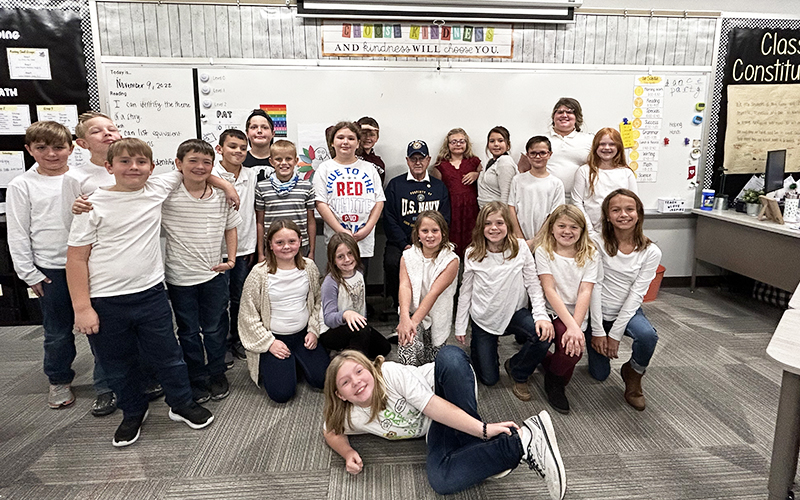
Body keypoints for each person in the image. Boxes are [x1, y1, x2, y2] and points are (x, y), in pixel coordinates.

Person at [66, 138, 224, 447]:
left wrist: (227, 188)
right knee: (118, 362)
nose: (133, 168)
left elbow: (197, 170)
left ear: (152, 168)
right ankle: (132, 411)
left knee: (169, 355)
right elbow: (76, 258)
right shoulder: (91, 204)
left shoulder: (157, 188)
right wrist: (82, 307)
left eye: (141, 162)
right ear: (109, 167)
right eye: (124, 162)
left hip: (151, 294)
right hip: (106, 299)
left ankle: (180, 403)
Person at [322, 347, 567, 500]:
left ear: (370, 370)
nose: (355, 382)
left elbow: (432, 405)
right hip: (435, 427)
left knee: (449, 356)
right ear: (340, 395)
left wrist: (483, 431)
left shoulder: (390, 374)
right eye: (345, 382)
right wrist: (348, 453)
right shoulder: (350, 414)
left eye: (359, 371)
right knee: (441, 480)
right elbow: (330, 431)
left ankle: (486, 446)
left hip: (444, 390)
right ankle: (524, 440)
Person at [163, 139, 242, 404]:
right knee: (187, 331)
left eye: (206, 162)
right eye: (192, 161)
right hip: (180, 277)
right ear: (178, 164)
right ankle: (196, 377)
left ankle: (217, 373)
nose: (200, 167)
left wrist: (231, 260)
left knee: (215, 328)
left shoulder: (220, 196)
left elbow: (231, 227)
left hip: (214, 275)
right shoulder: (167, 195)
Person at [8, 121, 77, 410]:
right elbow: (18, 232)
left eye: (59, 147)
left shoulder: (80, 179)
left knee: (102, 325)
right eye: (42, 148)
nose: (51, 154)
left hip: (89, 265)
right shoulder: (22, 185)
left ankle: (109, 377)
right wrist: (28, 273)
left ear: (71, 149)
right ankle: (59, 379)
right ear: (29, 150)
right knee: (58, 329)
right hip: (51, 269)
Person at [455, 202, 554, 401]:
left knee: (544, 335)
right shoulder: (473, 253)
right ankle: (481, 347)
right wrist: (460, 326)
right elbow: (465, 292)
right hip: (484, 317)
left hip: (514, 313)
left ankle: (517, 369)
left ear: (508, 225)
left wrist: (542, 316)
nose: (494, 228)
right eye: (488, 223)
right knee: (489, 379)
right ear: (481, 227)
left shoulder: (521, 249)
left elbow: (533, 284)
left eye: (499, 223)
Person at [59, 111, 122, 416]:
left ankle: (141, 379)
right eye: (98, 132)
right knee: (102, 332)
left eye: (112, 128)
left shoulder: (130, 168)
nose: (108, 134)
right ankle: (105, 387)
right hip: (97, 267)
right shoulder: (75, 178)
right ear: (82, 143)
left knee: (137, 330)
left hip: (132, 264)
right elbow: (67, 226)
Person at [238, 220, 330, 403]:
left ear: (300, 241)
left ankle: (297, 361)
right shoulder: (259, 274)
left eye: (292, 241)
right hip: (274, 338)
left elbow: (318, 302)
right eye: (279, 242)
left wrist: (313, 330)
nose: (286, 247)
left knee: (324, 380)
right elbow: (247, 316)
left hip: (303, 335)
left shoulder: (309, 267)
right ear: (270, 245)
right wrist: (270, 343)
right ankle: (288, 364)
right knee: (282, 394)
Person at [587, 189, 661, 411]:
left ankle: (634, 374)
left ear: (639, 213)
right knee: (599, 375)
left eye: (630, 209)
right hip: (597, 310)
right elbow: (594, 286)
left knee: (648, 336)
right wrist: (599, 330)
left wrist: (615, 335)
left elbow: (637, 295)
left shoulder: (651, 251)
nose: (623, 215)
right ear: (607, 215)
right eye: (616, 210)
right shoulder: (595, 243)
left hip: (627, 312)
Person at [533, 205, 597, 414]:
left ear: (582, 230)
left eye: (574, 227)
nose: (567, 231)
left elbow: (585, 291)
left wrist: (575, 327)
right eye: (561, 226)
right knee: (573, 354)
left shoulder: (590, 253)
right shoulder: (544, 251)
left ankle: (550, 372)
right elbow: (549, 289)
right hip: (553, 311)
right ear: (552, 228)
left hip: (577, 312)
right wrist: (571, 327)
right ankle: (553, 380)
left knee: (571, 350)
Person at [383, 140, 450, 310]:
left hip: (431, 242)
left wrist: (430, 244)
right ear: (407, 161)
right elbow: (389, 219)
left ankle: (432, 303)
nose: (418, 163)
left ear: (428, 160)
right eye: (414, 159)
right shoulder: (395, 185)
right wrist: (405, 245)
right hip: (402, 242)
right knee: (391, 261)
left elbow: (445, 219)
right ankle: (399, 303)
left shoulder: (439, 187)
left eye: (421, 158)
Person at [313, 121, 385, 275]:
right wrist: (341, 232)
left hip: (363, 239)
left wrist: (367, 229)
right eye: (340, 137)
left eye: (351, 138)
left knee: (360, 283)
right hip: (336, 238)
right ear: (332, 142)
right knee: (337, 284)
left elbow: (379, 201)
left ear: (358, 142)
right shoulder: (324, 169)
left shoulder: (369, 168)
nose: (345, 142)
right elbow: (320, 203)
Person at [214, 129, 258, 363]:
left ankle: (238, 340)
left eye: (243, 148)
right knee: (219, 301)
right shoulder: (210, 172)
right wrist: (226, 185)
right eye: (232, 146)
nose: (238, 151)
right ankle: (220, 345)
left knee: (240, 299)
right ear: (219, 149)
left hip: (244, 247)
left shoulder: (250, 174)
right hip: (217, 250)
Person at [396, 211, 459, 366]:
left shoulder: (452, 260)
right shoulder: (407, 256)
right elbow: (405, 286)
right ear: (417, 234)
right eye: (425, 231)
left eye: (435, 230)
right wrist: (405, 319)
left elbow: (433, 293)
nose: (430, 235)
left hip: (436, 317)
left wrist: (413, 323)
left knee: (435, 364)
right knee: (407, 352)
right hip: (412, 315)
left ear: (443, 233)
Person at [319, 233, 391, 359]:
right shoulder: (331, 282)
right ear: (333, 260)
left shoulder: (359, 272)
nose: (347, 259)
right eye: (340, 257)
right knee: (360, 336)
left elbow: (361, 304)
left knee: (384, 348)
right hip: (332, 330)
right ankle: (353, 361)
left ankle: (345, 351)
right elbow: (328, 319)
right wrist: (345, 315)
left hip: (356, 327)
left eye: (350, 253)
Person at [520, 98, 593, 202]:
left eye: (569, 112)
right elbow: (523, 168)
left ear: (577, 117)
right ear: (553, 117)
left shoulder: (589, 140)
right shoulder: (539, 140)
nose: (564, 115)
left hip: (579, 200)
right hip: (544, 199)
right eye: (559, 112)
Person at [255, 139, 316, 259]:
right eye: (278, 159)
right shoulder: (262, 187)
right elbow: (260, 222)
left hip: (300, 247)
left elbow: (311, 221)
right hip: (273, 247)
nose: (283, 163)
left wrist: (312, 251)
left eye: (288, 159)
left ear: (296, 161)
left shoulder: (307, 187)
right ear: (271, 162)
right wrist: (261, 253)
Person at [572, 127, 638, 235]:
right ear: (595, 147)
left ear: (618, 147)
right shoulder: (584, 171)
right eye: (602, 144)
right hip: (591, 231)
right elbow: (577, 202)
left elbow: (634, 204)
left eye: (612, 144)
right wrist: (589, 230)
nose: (606, 148)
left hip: (620, 232)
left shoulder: (626, 173)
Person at [430, 128, 481, 259]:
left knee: (473, 246)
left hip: (471, 211)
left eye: (461, 141)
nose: (458, 144)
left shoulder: (474, 162)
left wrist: (477, 174)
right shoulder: (441, 165)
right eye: (454, 142)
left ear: (466, 143)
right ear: (448, 145)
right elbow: (437, 190)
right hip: (451, 210)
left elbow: (486, 180)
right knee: (450, 247)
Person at [508, 136, 565, 250]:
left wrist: (535, 241)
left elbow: (554, 216)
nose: (538, 157)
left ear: (549, 154)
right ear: (527, 155)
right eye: (533, 153)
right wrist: (520, 238)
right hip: (519, 239)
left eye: (542, 153)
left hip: (544, 239)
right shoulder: (518, 180)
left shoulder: (556, 184)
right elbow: (511, 208)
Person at [477, 126, 517, 208]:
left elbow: (506, 195)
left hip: (498, 214)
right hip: (487, 213)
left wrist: (503, 216)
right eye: (492, 141)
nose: (496, 144)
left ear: (508, 144)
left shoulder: (505, 162)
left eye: (500, 141)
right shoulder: (491, 161)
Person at [242, 109, 275, 182]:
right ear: (247, 133)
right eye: (254, 127)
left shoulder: (282, 160)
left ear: (273, 133)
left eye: (265, 127)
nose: (259, 131)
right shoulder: (239, 159)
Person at [356, 116, 386, 182]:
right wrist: (356, 128)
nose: (367, 138)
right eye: (363, 133)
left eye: (372, 134)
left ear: (377, 138)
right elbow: (329, 132)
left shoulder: (378, 163)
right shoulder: (348, 155)